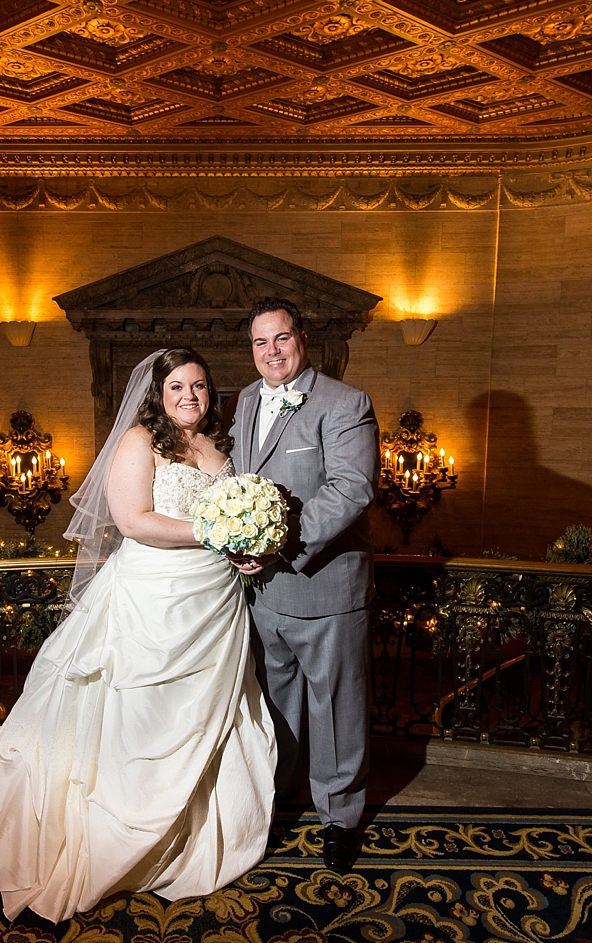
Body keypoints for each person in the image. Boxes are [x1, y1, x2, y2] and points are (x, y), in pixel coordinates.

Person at [0, 348, 276, 923]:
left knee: (209, 713)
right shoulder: (140, 442)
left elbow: (233, 512)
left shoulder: (222, 447)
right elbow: (133, 519)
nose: (190, 396)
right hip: (152, 601)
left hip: (213, 603)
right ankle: (123, 820)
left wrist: (243, 543)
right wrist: (219, 529)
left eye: (199, 386)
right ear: (157, 395)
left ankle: (196, 827)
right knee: (135, 714)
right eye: (177, 387)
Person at [229, 297, 379, 874]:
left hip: (324, 587)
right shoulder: (245, 399)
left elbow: (349, 490)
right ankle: (283, 799)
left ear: (302, 341)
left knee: (337, 708)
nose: (271, 351)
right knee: (276, 703)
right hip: (262, 592)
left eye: (281, 339)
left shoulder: (345, 403)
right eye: (260, 342)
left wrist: (275, 543)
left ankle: (340, 819)